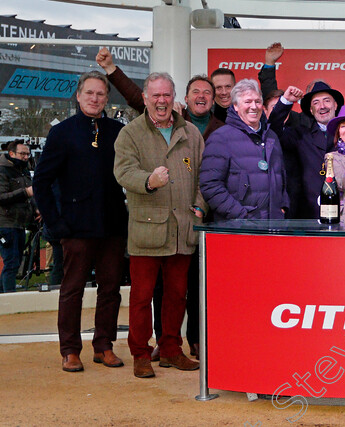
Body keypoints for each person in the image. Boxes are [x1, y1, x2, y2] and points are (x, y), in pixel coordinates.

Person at [33, 71, 129, 373]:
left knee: (110, 289)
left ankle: (103, 346)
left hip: (112, 226)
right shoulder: (62, 132)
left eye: (100, 94)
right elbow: (42, 182)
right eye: (89, 93)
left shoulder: (118, 130)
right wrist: (56, 223)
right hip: (74, 227)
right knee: (72, 289)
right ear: (78, 96)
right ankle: (70, 350)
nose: (95, 98)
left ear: (106, 98)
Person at [114, 72, 206, 379]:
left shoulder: (191, 133)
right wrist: (148, 182)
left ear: (174, 96)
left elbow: (204, 179)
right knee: (141, 296)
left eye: (167, 95)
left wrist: (199, 208)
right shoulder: (130, 134)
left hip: (182, 229)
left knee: (177, 295)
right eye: (155, 95)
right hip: (146, 231)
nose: (162, 101)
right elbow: (123, 172)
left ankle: (170, 349)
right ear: (144, 98)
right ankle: (141, 353)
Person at [200, 79, 289, 219]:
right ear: (235, 106)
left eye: (257, 101)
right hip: (238, 228)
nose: (253, 106)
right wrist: (242, 215)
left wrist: (283, 206)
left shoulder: (272, 137)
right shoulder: (220, 138)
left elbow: (281, 176)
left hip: (274, 226)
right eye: (247, 102)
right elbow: (210, 186)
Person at [96, 48, 225, 140]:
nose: (201, 96)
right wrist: (110, 68)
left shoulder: (224, 129)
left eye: (207, 92)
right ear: (186, 98)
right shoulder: (172, 116)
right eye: (195, 92)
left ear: (213, 100)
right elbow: (135, 96)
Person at [268, 81, 345, 218]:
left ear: (335, 105)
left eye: (326, 101)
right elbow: (273, 130)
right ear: (311, 110)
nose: (322, 106)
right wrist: (286, 102)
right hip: (308, 215)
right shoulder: (300, 135)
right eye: (316, 103)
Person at [0, 140, 37, 293]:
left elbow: (31, 194)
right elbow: (1, 197)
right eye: (22, 154)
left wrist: (36, 208)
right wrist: (25, 192)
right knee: (11, 263)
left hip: (20, 222)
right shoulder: (2, 170)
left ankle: (5, 294)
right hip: (6, 223)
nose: (26, 157)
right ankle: (9, 298)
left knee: (15, 263)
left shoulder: (25, 170)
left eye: (28, 154)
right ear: (11, 153)